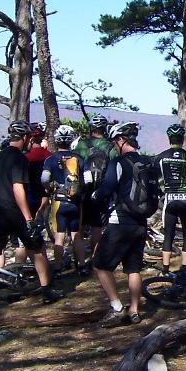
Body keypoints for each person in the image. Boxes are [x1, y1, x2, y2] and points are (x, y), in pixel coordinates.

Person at [0, 120, 58, 316]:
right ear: (25, 137)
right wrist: (28, 217)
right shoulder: (19, 159)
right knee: (37, 248)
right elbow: (18, 188)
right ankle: (46, 290)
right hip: (14, 213)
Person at [91, 122, 158, 327]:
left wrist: (95, 195)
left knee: (100, 264)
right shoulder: (147, 162)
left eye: (114, 141)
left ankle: (117, 307)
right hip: (141, 222)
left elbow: (107, 188)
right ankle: (135, 311)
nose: (113, 145)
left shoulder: (118, 163)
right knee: (133, 268)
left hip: (120, 221)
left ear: (121, 140)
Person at [155, 124, 186, 276]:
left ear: (169, 139)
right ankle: (185, 269)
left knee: (169, 234)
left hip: (169, 199)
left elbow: (156, 179)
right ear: (183, 139)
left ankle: (165, 269)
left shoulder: (160, 158)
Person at [42, 125, 87, 272]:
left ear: (56, 140)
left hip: (58, 201)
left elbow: (44, 179)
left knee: (59, 235)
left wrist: (49, 188)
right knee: (76, 235)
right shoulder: (79, 158)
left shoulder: (50, 159)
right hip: (75, 201)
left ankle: (58, 266)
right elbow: (89, 180)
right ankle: (81, 265)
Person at [73, 113, 115, 266]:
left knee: (80, 226)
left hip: (82, 191)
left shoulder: (81, 144)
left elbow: (74, 166)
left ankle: (79, 259)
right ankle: (95, 258)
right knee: (97, 226)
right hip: (101, 191)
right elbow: (113, 168)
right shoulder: (109, 146)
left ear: (91, 127)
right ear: (104, 128)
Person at [15, 122, 51, 265]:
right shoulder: (49, 156)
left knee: (23, 241)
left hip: (28, 199)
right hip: (45, 198)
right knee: (39, 239)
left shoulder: (25, 158)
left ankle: (18, 269)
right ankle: (44, 270)